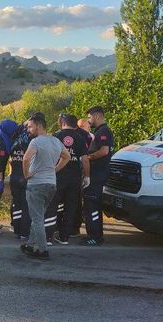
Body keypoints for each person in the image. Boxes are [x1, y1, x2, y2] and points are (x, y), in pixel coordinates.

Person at [21, 113, 70, 259]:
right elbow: (67, 156)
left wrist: (26, 175)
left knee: (37, 219)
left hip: (36, 184)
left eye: (30, 127)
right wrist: (54, 170)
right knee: (39, 215)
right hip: (51, 184)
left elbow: (26, 159)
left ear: (38, 125)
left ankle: (42, 250)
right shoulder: (55, 141)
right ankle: (30, 244)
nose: (28, 130)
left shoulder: (36, 142)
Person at [48, 114, 90, 245]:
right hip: (74, 179)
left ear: (63, 123)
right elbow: (85, 160)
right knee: (70, 208)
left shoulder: (55, 136)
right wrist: (87, 176)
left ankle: (48, 237)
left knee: (52, 206)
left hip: (57, 177)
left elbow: (48, 156)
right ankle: (64, 237)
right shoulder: (80, 138)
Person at [82, 106, 114, 246]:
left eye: (90, 117)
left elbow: (104, 151)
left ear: (97, 116)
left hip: (97, 174)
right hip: (95, 174)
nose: (89, 120)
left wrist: (88, 157)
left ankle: (95, 236)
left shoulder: (103, 131)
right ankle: (92, 234)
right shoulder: (100, 131)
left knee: (93, 205)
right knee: (90, 205)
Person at [9, 122, 31, 239]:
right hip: (26, 177)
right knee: (26, 206)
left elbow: (10, 160)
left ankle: (16, 229)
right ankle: (24, 232)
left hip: (14, 177)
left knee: (16, 204)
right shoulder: (31, 142)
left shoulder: (13, 142)